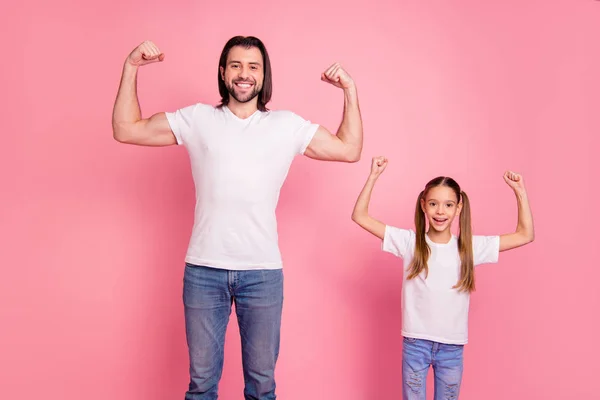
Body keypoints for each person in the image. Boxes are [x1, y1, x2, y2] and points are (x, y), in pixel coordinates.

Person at [111, 36, 363, 400]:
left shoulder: (286, 125)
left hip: (262, 273)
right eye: (236, 65)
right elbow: (126, 129)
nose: (244, 74)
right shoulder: (198, 119)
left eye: (253, 66)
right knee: (201, 386)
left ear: (264, 75)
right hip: (203, 271)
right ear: (223, 72)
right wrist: (131, 66)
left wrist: (349, 91)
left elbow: (349, 149)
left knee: (262, 387)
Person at [351, 156, 534, 400]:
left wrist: (520, 191)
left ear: (459, 208)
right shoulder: (409, 243)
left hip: (452, 348)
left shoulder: (468, 247)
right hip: (416, 344)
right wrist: (373, 176)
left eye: (448, 205)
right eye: (434, 204)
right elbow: (360, 216)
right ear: (424, 205)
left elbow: (525, 234)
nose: (440, 211)